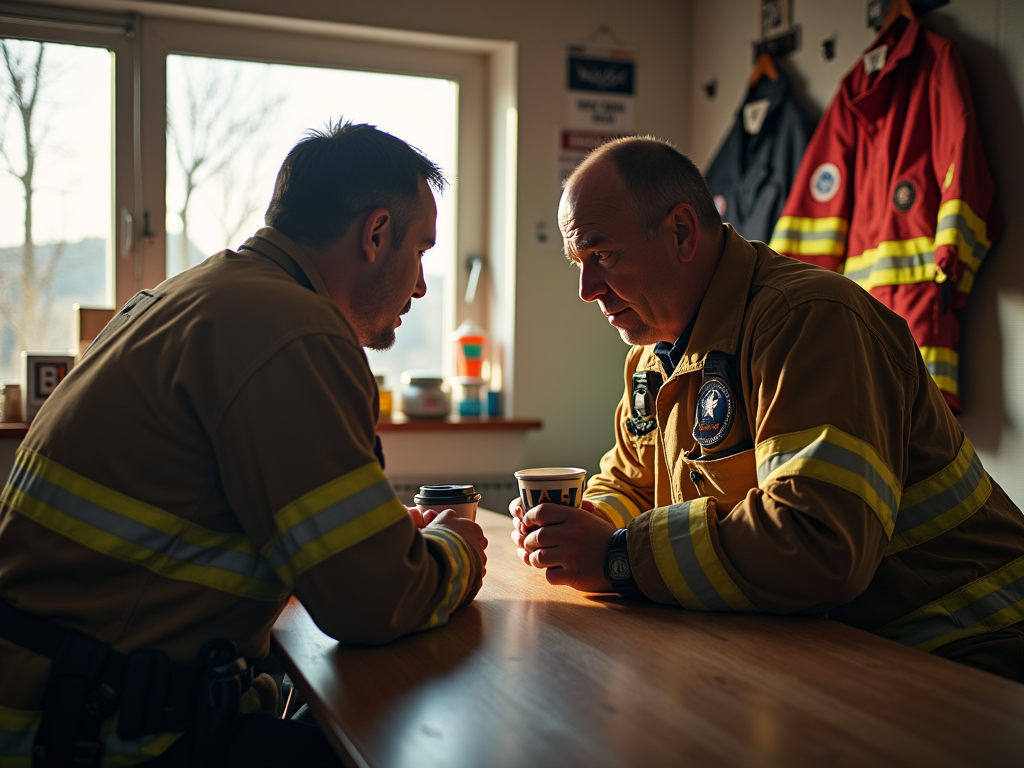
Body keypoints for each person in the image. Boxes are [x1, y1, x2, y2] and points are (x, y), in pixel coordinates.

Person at [0, 121, 487, 768]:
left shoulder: (189, 297)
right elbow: (373, 602)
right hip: (97, 733)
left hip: (51, 701)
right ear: (375, 235)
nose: (421, 286)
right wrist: (455, 546)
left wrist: (369, 537)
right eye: (420, 250)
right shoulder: (294, 332)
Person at [511, 136, 1024, 682]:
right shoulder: (651, 355)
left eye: (602, 254)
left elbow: (818, 543)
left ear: (681, 232)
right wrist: (581, 527)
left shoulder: (811, 320)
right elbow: (632, 482)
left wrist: (618, 557)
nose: (587, 288)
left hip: (968, 649)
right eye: (578, 262)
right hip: (835, 652)